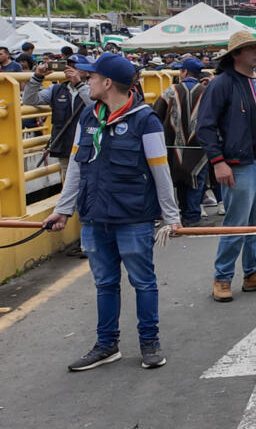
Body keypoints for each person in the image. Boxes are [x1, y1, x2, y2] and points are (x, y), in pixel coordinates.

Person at [43, 52, 180, 370]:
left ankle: (149, 342)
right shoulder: (88, 117)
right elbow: (77, 166)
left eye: (91, 77)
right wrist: (62, 210)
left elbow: (161, 171)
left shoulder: (145, 120)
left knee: (143, 282)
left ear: (107, 83)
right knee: (104, 284)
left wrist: (171, 217)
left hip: (133, 218)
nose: (85, 80)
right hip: (94, 218)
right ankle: (107, 345)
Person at [197, 31, 256, 303]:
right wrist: (217, 161)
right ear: (235, 54)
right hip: (239, 165)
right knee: (236, 224)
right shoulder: (223, 84)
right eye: (251, 48)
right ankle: (223, 276)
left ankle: (253, 273)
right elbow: (204, 126)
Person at [151, 57, 210, 227]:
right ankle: (193, 215)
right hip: (200, 146)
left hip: (173, 145)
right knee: (196, 180)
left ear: (184, 72)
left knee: (178, 179)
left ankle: (183, 213)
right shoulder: (206, 92)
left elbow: (156, 114)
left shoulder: (170, 91)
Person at [23, 53, 93, 176]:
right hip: (65, 146)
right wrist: (38, 77)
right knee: (68, 182)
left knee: (89, 181)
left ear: (87, 72)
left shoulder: (93, 88)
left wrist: (79, 84)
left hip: (89, 146)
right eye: (68, 65)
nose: (71, 69)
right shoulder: (56, 89)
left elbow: (94, 103)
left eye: (76, 67)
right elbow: (29, 100)